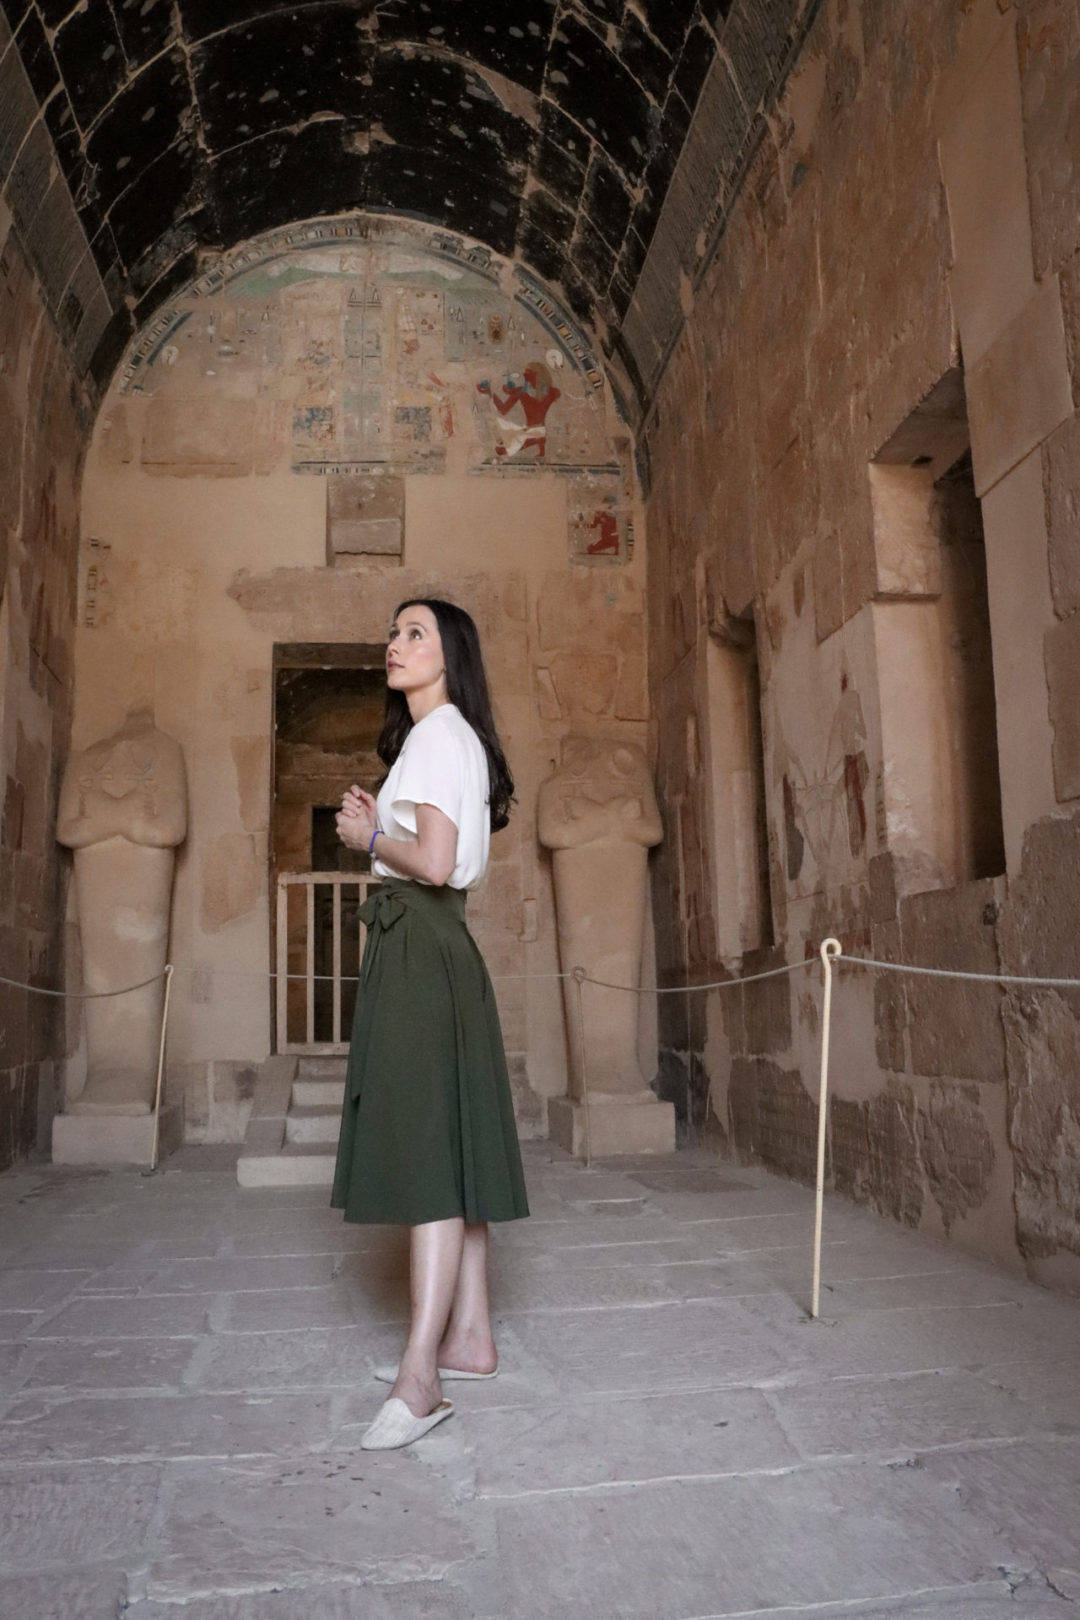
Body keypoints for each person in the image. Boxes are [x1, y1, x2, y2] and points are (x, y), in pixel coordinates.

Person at [332, 598, 529, 1450]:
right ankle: (469, 1336)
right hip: (433, 944)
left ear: (451, 657)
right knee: (450, 1144)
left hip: (424, 943)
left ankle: (421, 1377)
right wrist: (380, 827)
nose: (395, 644)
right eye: (393, 631)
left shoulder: (440, 734)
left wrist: (371, 834)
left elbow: (438, 864)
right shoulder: (443, 737)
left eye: (416, 633)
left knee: (428, 1159)